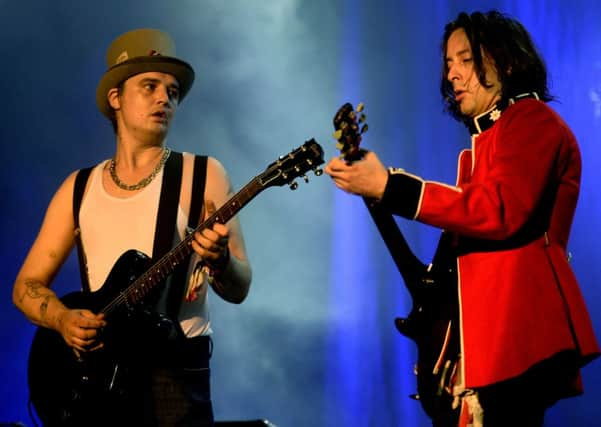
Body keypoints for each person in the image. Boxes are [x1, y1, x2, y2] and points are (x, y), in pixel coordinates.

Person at [325, 10, 600, 427]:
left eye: (464, 59)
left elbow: (498, 211)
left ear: (504, 61)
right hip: (486, 345)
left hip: (517, 338)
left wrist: (391, 187)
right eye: (448, 63)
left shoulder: (532, 119)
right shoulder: (482, 146)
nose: (451, 74)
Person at [12, 28, 251, 426]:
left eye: (173, 91)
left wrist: (222, 261)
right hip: (97, 377)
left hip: (174, 375)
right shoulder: (79, 188)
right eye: (150, 86)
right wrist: (62, 319)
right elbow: (26, 286)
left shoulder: (203, 174)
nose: (165, 98)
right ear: (115, 98)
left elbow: (240, 287)